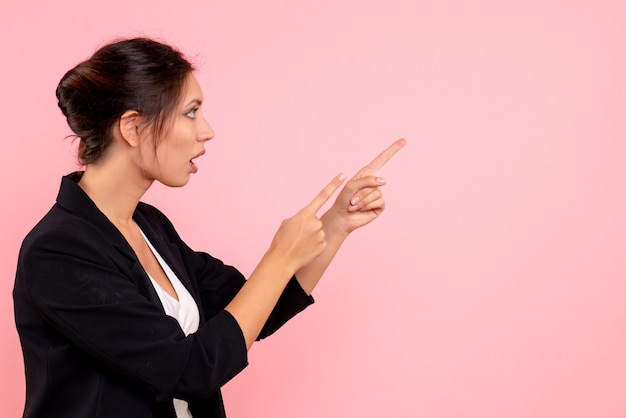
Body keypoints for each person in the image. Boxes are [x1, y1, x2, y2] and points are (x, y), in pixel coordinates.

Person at [13, 37, 406, 418]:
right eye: (190, 112)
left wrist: (336, 224)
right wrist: (278, 256)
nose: (207, 131)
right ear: (133, 128)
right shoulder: (57, 250)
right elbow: (190, 370)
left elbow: (255, 309)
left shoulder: (149, 225)